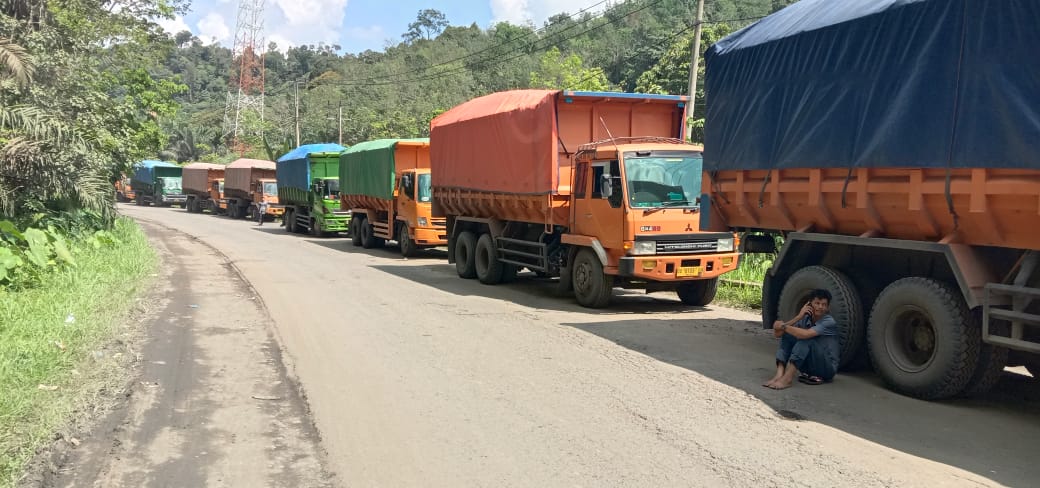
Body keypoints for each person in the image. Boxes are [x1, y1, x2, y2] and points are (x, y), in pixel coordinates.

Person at [763, 288, 840, 390]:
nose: (820, 307)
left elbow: (805, 334)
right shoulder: (805, 318)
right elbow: (778, 334)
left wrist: (782, 326)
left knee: (806, 338)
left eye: (824, 304)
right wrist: (798, 317)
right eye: (817, 303)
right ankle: (779, 374)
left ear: (827, 307)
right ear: (809, 304)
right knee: (788, 335)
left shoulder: (829, 321)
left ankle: (787, 379)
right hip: (808, 367)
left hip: (826, 369)